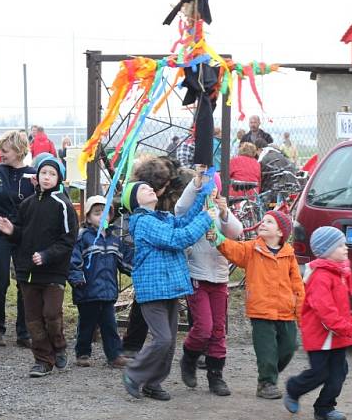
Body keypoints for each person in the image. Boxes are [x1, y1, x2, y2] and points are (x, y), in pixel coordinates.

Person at [121, 179, 213, 401]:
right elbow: (177, 238)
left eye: (150, 186)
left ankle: (153, 383)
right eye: (143, 189)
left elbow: (184, 223)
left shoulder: (162, 217)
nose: (150, 188)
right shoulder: (143, 222)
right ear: (134, 201)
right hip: (153, 291)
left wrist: (203, 193)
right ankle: (134, 374)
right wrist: (206, 217)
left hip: (170, 288)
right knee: (162, 339)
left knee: (170, 342)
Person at [0, 154, 78, 377]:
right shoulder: (27, 204)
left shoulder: (63, 205)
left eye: (52, 174)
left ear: (59, 178)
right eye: (43, 173)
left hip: (53, 272)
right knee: (33, 321)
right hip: (27, 273)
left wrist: (47, 255)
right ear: (37, 175)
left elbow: (68, 239)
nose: (47, 177)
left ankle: (59, 345)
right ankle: (42, 360)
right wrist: (11, 230)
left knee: (51, 314)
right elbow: (22, 234)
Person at [216, 210, 304, 399]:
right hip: (261, 310)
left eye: (269, 222)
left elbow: (297, 284)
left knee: (290, 345)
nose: (262, 224)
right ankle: (266, 383)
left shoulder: (289, 254)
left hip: (285, 310)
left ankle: (269, 373)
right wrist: (216, 238)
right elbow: (232, 249)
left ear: (281, 232)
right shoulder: (251, 249)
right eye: (262, 221)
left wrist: (300, 311)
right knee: (266, 349)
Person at [284, 226, 352, 420]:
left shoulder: (339, 273)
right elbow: (325, 312)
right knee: (319, 373)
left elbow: (341, 308)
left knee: (339, 374)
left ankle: (324, 408)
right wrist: (348, 329)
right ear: (327, 251)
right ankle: (294, 388)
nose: (346, 248)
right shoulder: (320, 276)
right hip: (320, 337)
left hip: (337, 336)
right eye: (340, 245)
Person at [176, 166, 243, 396]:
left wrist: (225, 213)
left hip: (220, 277)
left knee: (218, 329)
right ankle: (189, 358)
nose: (209, 192)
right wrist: (196, 182)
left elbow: (235, 231)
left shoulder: (219, 210)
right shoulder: (193, 210)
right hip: (197, 275)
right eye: (205, 187)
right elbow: (180, 208)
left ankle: (216, 375)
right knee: (203, 327)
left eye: (212, 187)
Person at [68, 195, 132, 369]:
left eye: (105, 212)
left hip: (108, 291)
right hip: (87, 290)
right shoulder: (83, 238)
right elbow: (74, 261)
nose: (102, 216)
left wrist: (136, 269)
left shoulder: (114, 240)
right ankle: (83, 352)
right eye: (97, 213)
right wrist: (76, 278)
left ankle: (114, 355)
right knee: (87, 324)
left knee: (110, 325)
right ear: (88, 217)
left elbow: (124, 261)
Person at [0, 130, 35, 348]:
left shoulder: (33, 176)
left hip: (24, 235)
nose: (1, 154)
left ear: (19, 152)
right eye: (0, 150)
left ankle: (24, 331)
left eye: (5, 151)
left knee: (24, 282)